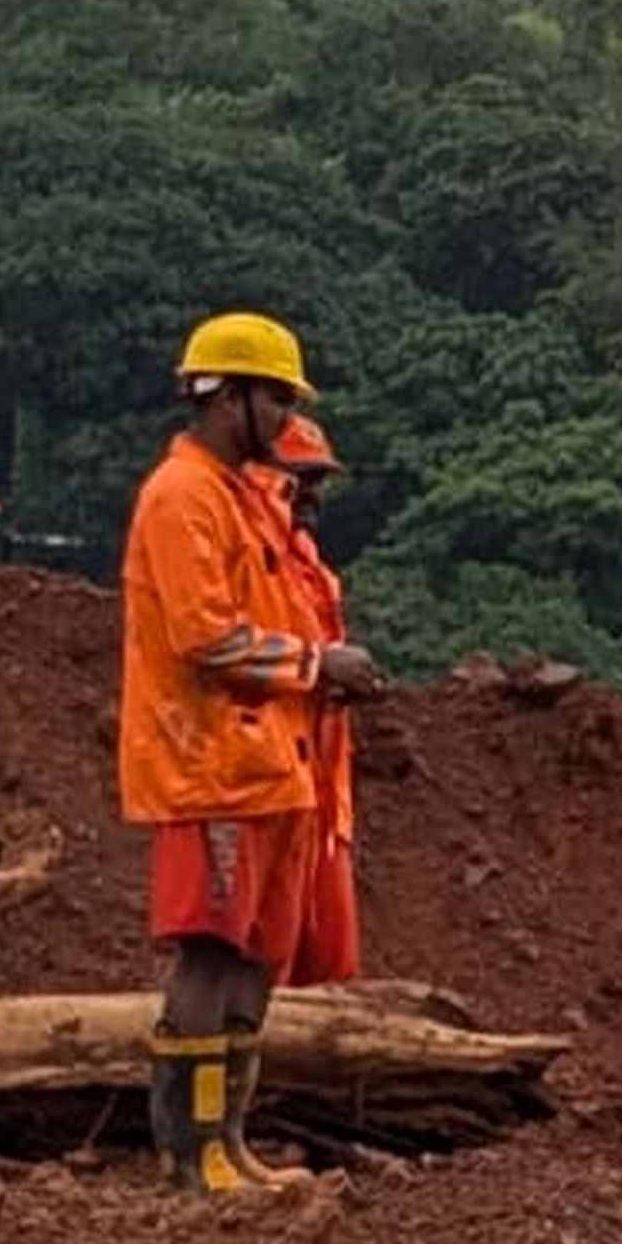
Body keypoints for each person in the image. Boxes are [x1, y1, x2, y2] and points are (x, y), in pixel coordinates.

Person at [124, 315, 381, 1194]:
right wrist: (316, 664)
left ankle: (230, 1141)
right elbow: (202, 634)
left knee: (255, 957)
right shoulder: (181, 495)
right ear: (224, 393)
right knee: (207, 951)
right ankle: (194, 1151)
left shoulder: (237, 497)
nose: (283, 417)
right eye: (274, 397)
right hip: (210, 764)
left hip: (270, 762)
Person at [268, 415, 363, 992]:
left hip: (323, 790)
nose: (312, 497)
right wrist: (317, 666)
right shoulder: (252, 558)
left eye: (318, 481)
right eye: (300, 479)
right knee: (259, 964)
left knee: (329, 959)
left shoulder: (313, 571)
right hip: (267, 780)